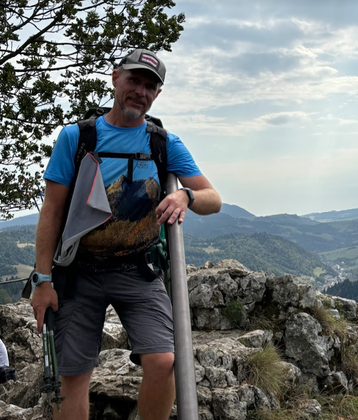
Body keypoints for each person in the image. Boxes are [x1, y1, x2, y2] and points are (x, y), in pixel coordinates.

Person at [30, 49, 222, 420]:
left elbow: (213, 199)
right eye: (134, 80)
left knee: (164, 360)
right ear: (115, 78)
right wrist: (43, 280)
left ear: (157, 95)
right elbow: (51, 211)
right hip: (77, 270)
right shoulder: (78, 137)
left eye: (150, 86)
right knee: (72, 376)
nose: (141, 91)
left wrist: (186, 194)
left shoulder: (163, 143)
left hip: (137, 268)